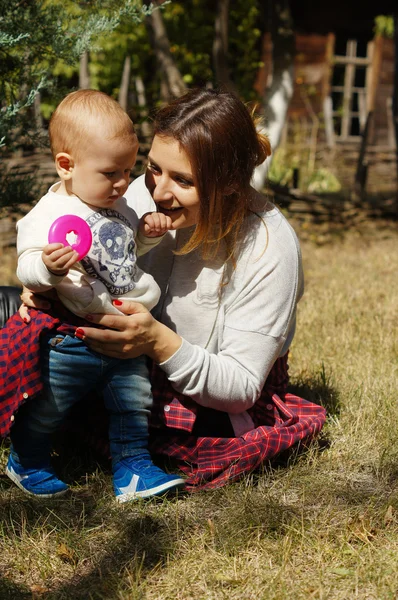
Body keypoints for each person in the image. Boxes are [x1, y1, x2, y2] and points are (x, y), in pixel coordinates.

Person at [2, 87, 326, 492]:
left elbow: (240, 387)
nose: (156, 192)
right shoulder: (135, 191)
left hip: (194, 390)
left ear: (228, 185)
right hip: (105, 338)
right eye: (154, 168)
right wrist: (44, 286)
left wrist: (155, 342)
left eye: (183, 180)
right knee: (9, 311)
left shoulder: (268, 246)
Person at [3, 89, 185, 501]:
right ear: (66, 166)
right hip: (72, 337)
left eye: (129, 169)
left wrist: (147, 234)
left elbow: (126, 253)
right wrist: (47, 267)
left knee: (133, 405)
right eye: (111, 173)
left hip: (125, 330)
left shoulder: (117, 205)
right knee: (52, 403)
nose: (124, 183)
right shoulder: (46, 216)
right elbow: (26, 267)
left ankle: (133, 470)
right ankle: (26, 459)